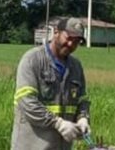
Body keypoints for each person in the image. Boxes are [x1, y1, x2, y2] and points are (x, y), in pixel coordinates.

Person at [12, 17, 91, 150]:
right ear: (56, 32)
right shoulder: (32, 60)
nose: (71, 44)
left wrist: (83, 118)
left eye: (77, 41)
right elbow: (27, 102)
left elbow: (82, 99)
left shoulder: (76, 67)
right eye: (69, 38)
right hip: (32, 145)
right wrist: (57, 123)